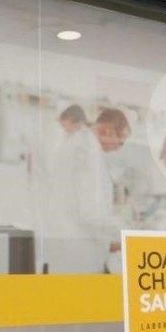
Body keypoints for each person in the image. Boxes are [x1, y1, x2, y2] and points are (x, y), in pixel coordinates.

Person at [42, 107, 131, 273]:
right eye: (120, 140)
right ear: (107, 130)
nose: (119, 147)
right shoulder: (89, 151)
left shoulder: (75, 142)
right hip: (79, 255)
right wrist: (126, 232)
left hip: (65, 246)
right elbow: (92, 212)